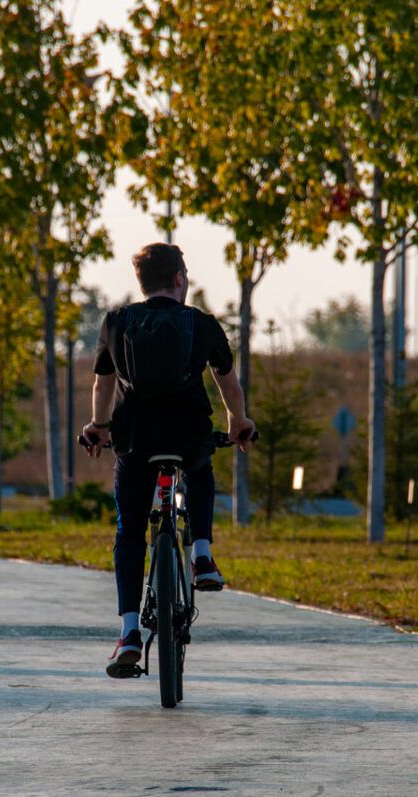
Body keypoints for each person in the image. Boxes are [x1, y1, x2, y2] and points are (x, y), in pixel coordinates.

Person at [81, 242, 256, 678]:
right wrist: (239, 424)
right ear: (180, 279)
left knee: (129, 531)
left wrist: (98, 427)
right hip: (188, 432)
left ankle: (127, 634)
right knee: (199, 467)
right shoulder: (201, 323)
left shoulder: (117, 322)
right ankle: (201, 555)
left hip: (134, 439)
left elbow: (102, 388)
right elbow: (229, 388)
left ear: (142, 282)